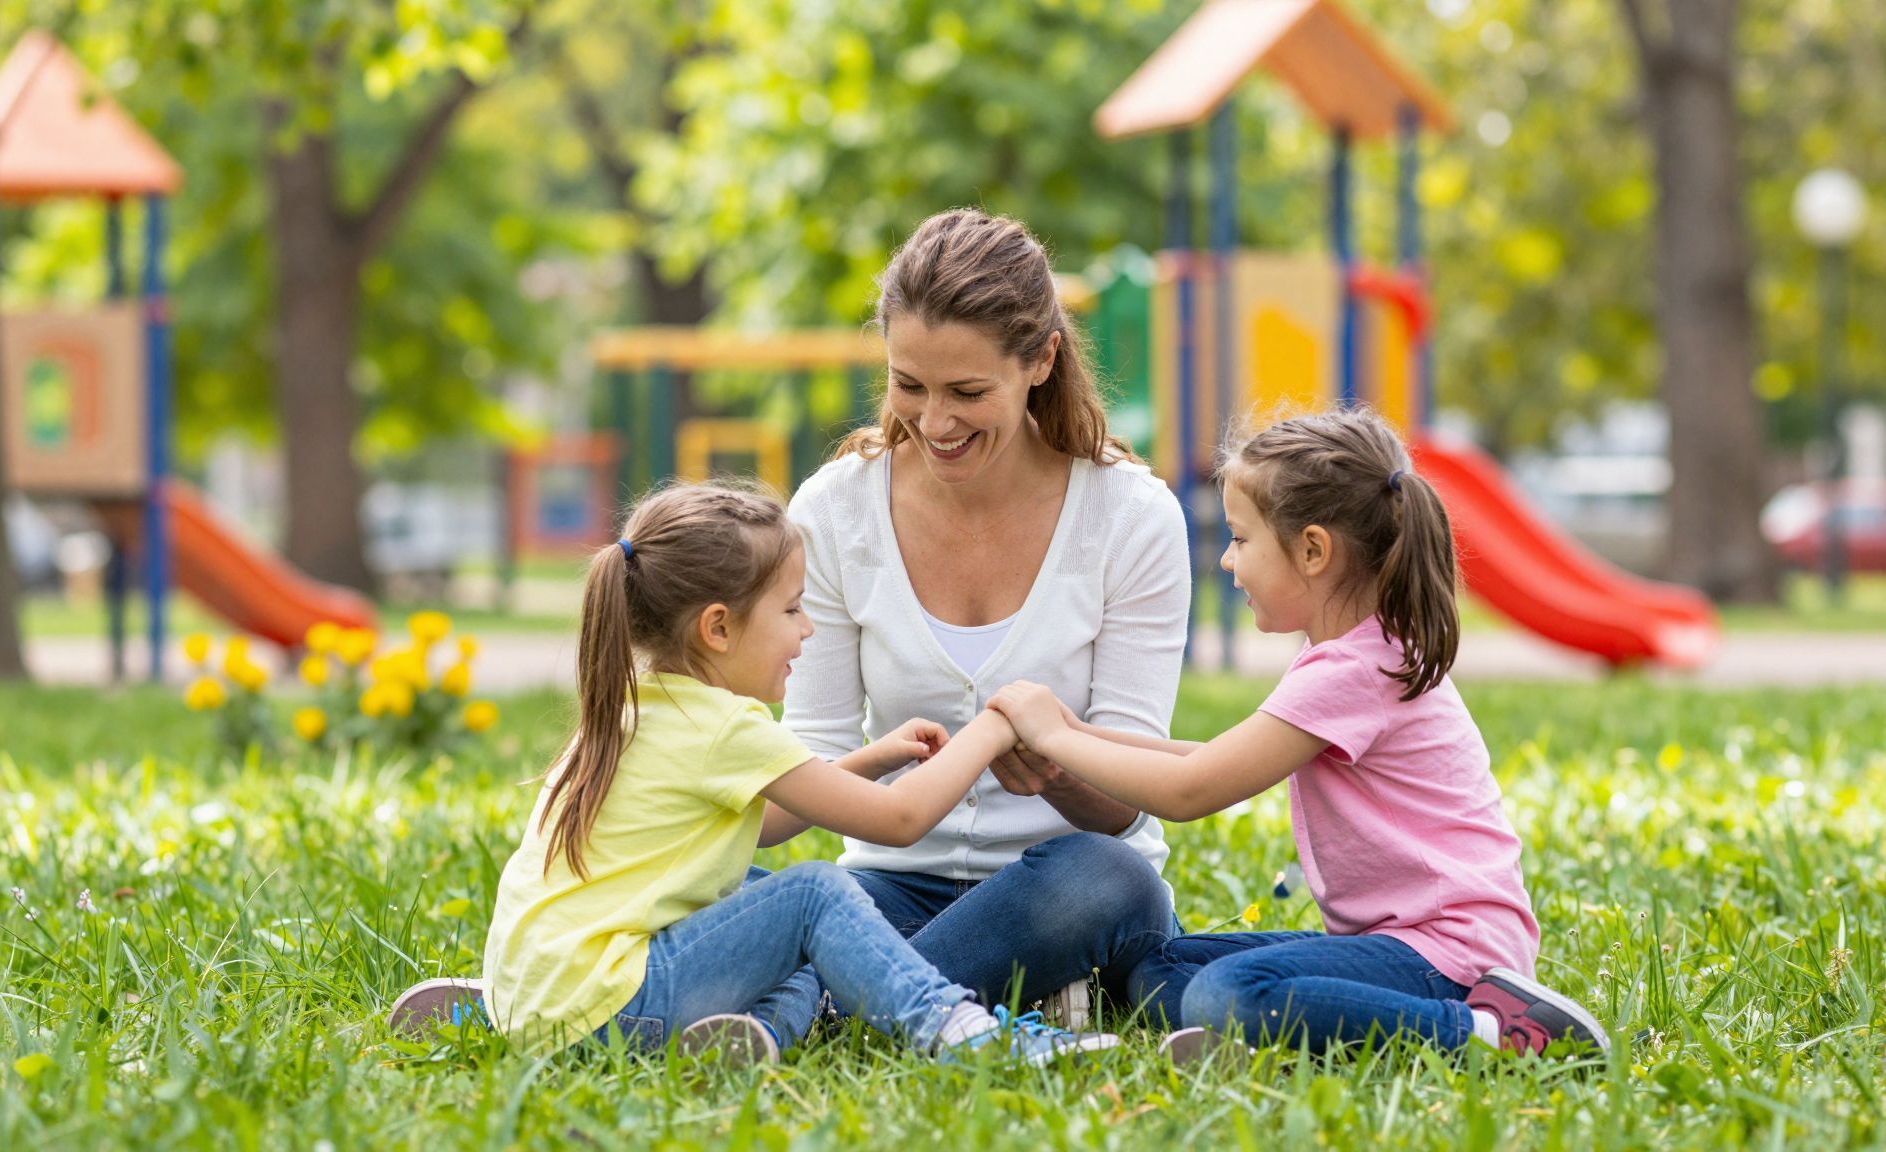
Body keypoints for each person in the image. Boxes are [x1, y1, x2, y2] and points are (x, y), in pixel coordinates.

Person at [392, 483, 1116, 1066]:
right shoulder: (724, 728)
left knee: (772, 905)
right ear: (717, 628)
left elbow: (758, 826)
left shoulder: (633, 705)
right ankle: (961, 1033)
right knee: (817, 896)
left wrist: (869, 758)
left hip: (552, 995)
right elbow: (900, 823)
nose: (807, 629)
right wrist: (995, 724)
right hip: (617, 1006)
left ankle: (746, 1038)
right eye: (793, 609)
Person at [984, 406, 1609, 1058]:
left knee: (1226, 994)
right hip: (1389, 943)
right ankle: (1281, 1040)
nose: (1227, 561)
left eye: (1240, 539)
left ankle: (1492, 1033)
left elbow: (1189, 790)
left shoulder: (1353, 668)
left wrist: (1054, 741)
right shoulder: (1351, 652)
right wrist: (1076, 731)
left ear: (1312, 550)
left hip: (1454, 953)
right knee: (1162, 970)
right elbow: (1217, 758)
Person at [770, 208, 1192, 1031]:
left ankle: (825, 1004)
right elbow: (812, 752)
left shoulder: (1130, 516)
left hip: (1062, 885)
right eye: (909, 385)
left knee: (1111, 881)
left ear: (1040, 359)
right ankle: (991, 989)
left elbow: (1128, 804)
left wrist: (1060, 767)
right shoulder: (833, 511)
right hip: (889, 884)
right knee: (766, 896)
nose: (934, 423)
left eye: (967, 392)